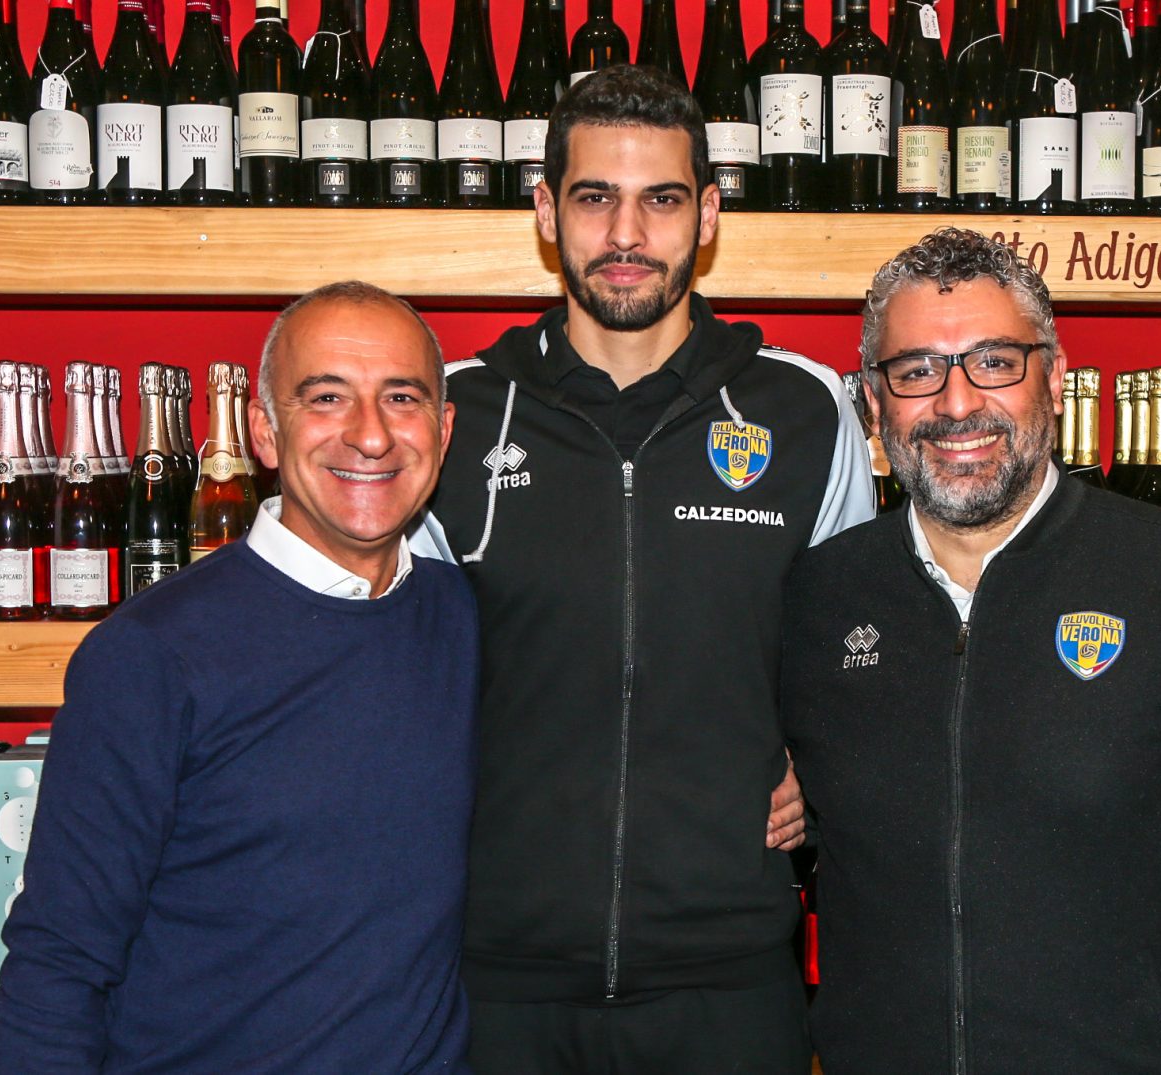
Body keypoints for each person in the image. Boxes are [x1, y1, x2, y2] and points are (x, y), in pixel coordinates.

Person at [779, 228, 1161, 1073]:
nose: (957, 404)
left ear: (1055, 377)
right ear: (874, 400)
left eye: (994, 362)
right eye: (917, 370)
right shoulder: (822, 597)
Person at [414, 65, 874, 1072]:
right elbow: (390, 670)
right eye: (595, 197)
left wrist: (826, 759)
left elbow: (859, 644)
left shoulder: (805, 412)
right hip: (499, 980)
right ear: (547, 212)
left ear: (707, 215)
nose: (627, 234)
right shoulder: (454, 415)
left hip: (731, 980)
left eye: (661, 199)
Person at [0, 283, 475, 1073]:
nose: (371, 434)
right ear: (264, 432)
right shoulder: (150, 654)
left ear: (443, 430)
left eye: (402, 397)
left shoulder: (463, 619)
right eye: (327, 397)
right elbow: (60, 961)